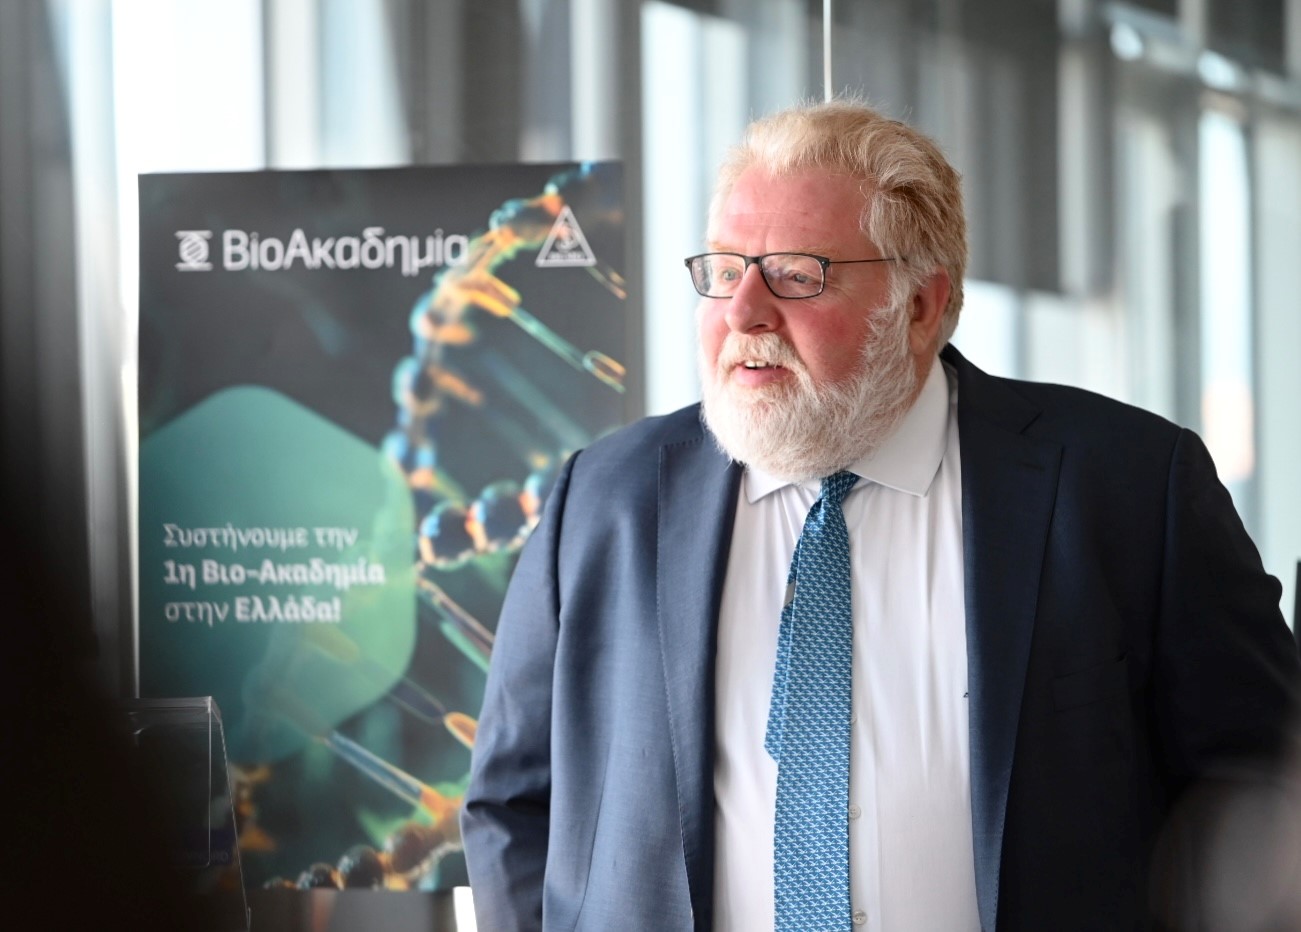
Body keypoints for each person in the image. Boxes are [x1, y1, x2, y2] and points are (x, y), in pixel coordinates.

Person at [460, 99, 1300, 931]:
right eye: (723, 270)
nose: (743, 312)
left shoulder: (1121, 484)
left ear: (921, 307)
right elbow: (512, 804)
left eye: (795, 274)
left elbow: (1262, 780)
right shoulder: (605, 498)